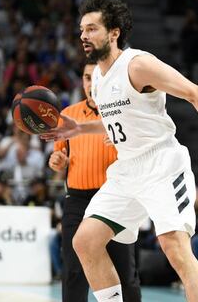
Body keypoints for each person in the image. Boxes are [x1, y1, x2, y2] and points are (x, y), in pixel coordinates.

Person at [41, 0, 198, 302]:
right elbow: (118, 119)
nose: (83, 36)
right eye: (82, 29)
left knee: (175, 248)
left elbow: (195, 93)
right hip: (127, 169)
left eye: (92, 28)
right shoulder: (99, 78)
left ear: (113, 32)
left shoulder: (138, 65)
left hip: (161, 164)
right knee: (85, 241)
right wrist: (79, 128)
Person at [48, 61, 141, 302]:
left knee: (124, 272)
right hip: (77, 199)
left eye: (97, 77)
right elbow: (61, 158)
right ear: (82, 81)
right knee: (73, 271)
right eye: (87, 77)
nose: (92, 83)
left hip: (115, 197)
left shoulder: (123, 113)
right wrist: (58, 161)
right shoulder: (68, 115)